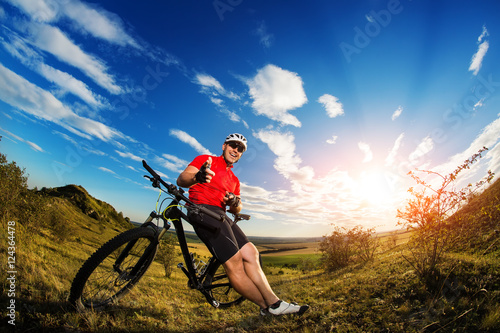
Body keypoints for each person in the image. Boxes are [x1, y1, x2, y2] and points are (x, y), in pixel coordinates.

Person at [177, 133, 309, 316]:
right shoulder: (206, 160)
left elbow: (237, 208)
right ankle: (269, 306)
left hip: (221, 214)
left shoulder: (234, 180)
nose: (236, 150)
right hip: (201, 209)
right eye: (233, 145)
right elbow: (182, 179)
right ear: (224, 146)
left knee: (251, 252)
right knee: (235, 263)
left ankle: (273, 304)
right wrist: (198, 176)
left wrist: (233, 201)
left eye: (240, 149)